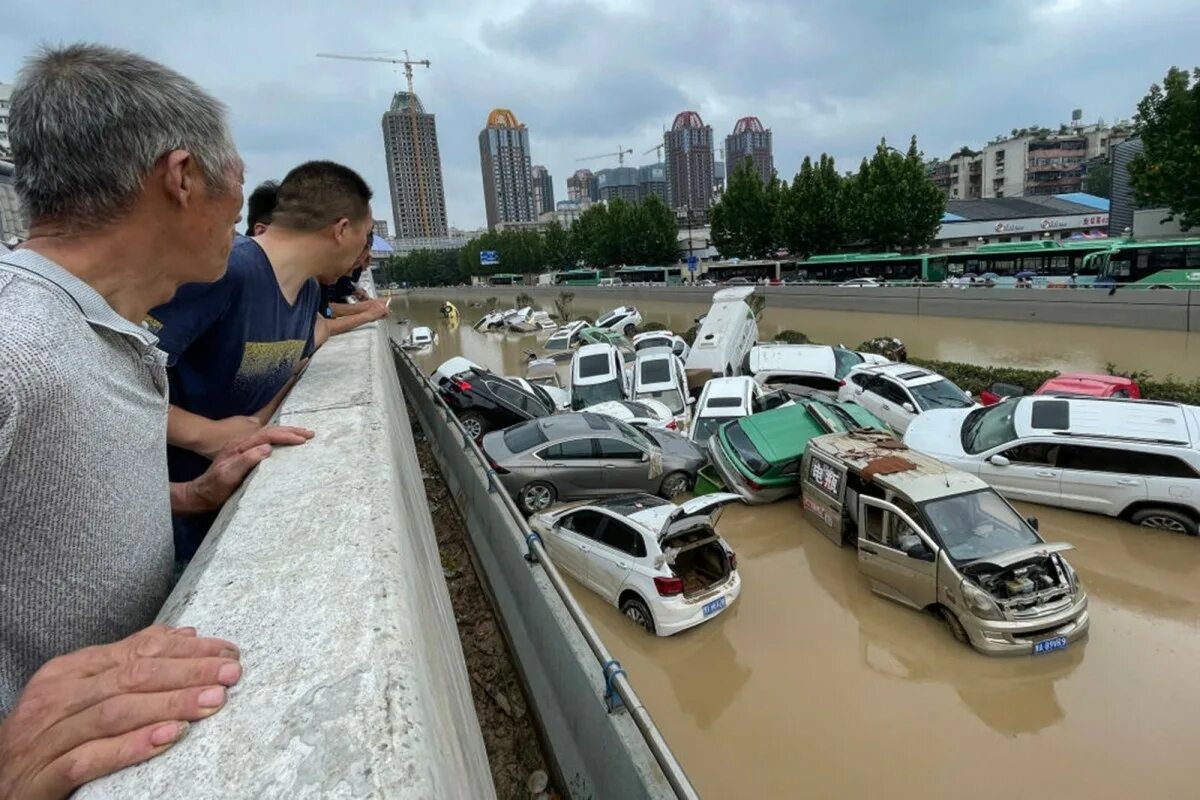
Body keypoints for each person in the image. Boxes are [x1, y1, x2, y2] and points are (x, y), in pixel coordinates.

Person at [0, 43, 310, 796]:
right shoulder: (17, 344)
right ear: (181, 179)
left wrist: (189, 494)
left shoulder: (105, 328)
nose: (238, 235)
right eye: (235, 209)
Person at [147, 160, 380, 560]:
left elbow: (295, 361)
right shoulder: (224, 271)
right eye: (366, 235)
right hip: (163, 525)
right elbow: (107, 381)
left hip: (221, 513)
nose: (364, 252)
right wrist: (207, 435)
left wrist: (257, 425)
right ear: (342, 230)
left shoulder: (307, 291)